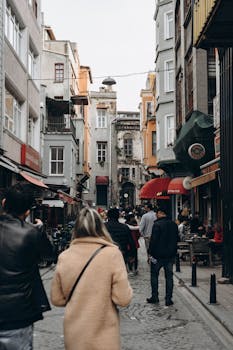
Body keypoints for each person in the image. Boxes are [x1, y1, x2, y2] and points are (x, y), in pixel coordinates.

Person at [50, 207, 133, 350]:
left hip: (75, 335)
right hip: (104, 335)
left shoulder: (65, 256)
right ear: (101, 227)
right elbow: (123, 299)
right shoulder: (112, 254)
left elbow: (57, 299)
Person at [0, 183, 53, 350]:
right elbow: (49, 255)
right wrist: (40, 229)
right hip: (19, 313)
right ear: (28, 211)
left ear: (4, 203)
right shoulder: (31, 233)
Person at [147, 205, 179, 306]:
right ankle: (168, 298)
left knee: (154, 275)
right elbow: (177, 239)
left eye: (157, 213)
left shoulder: (157, 225)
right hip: (169, 256)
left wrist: (150, 253)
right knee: (169, 277)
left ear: (160, 213)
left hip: (157, 256)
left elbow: (153, 241)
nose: (156, 215)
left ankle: (155, 296)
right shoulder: (174, 225)